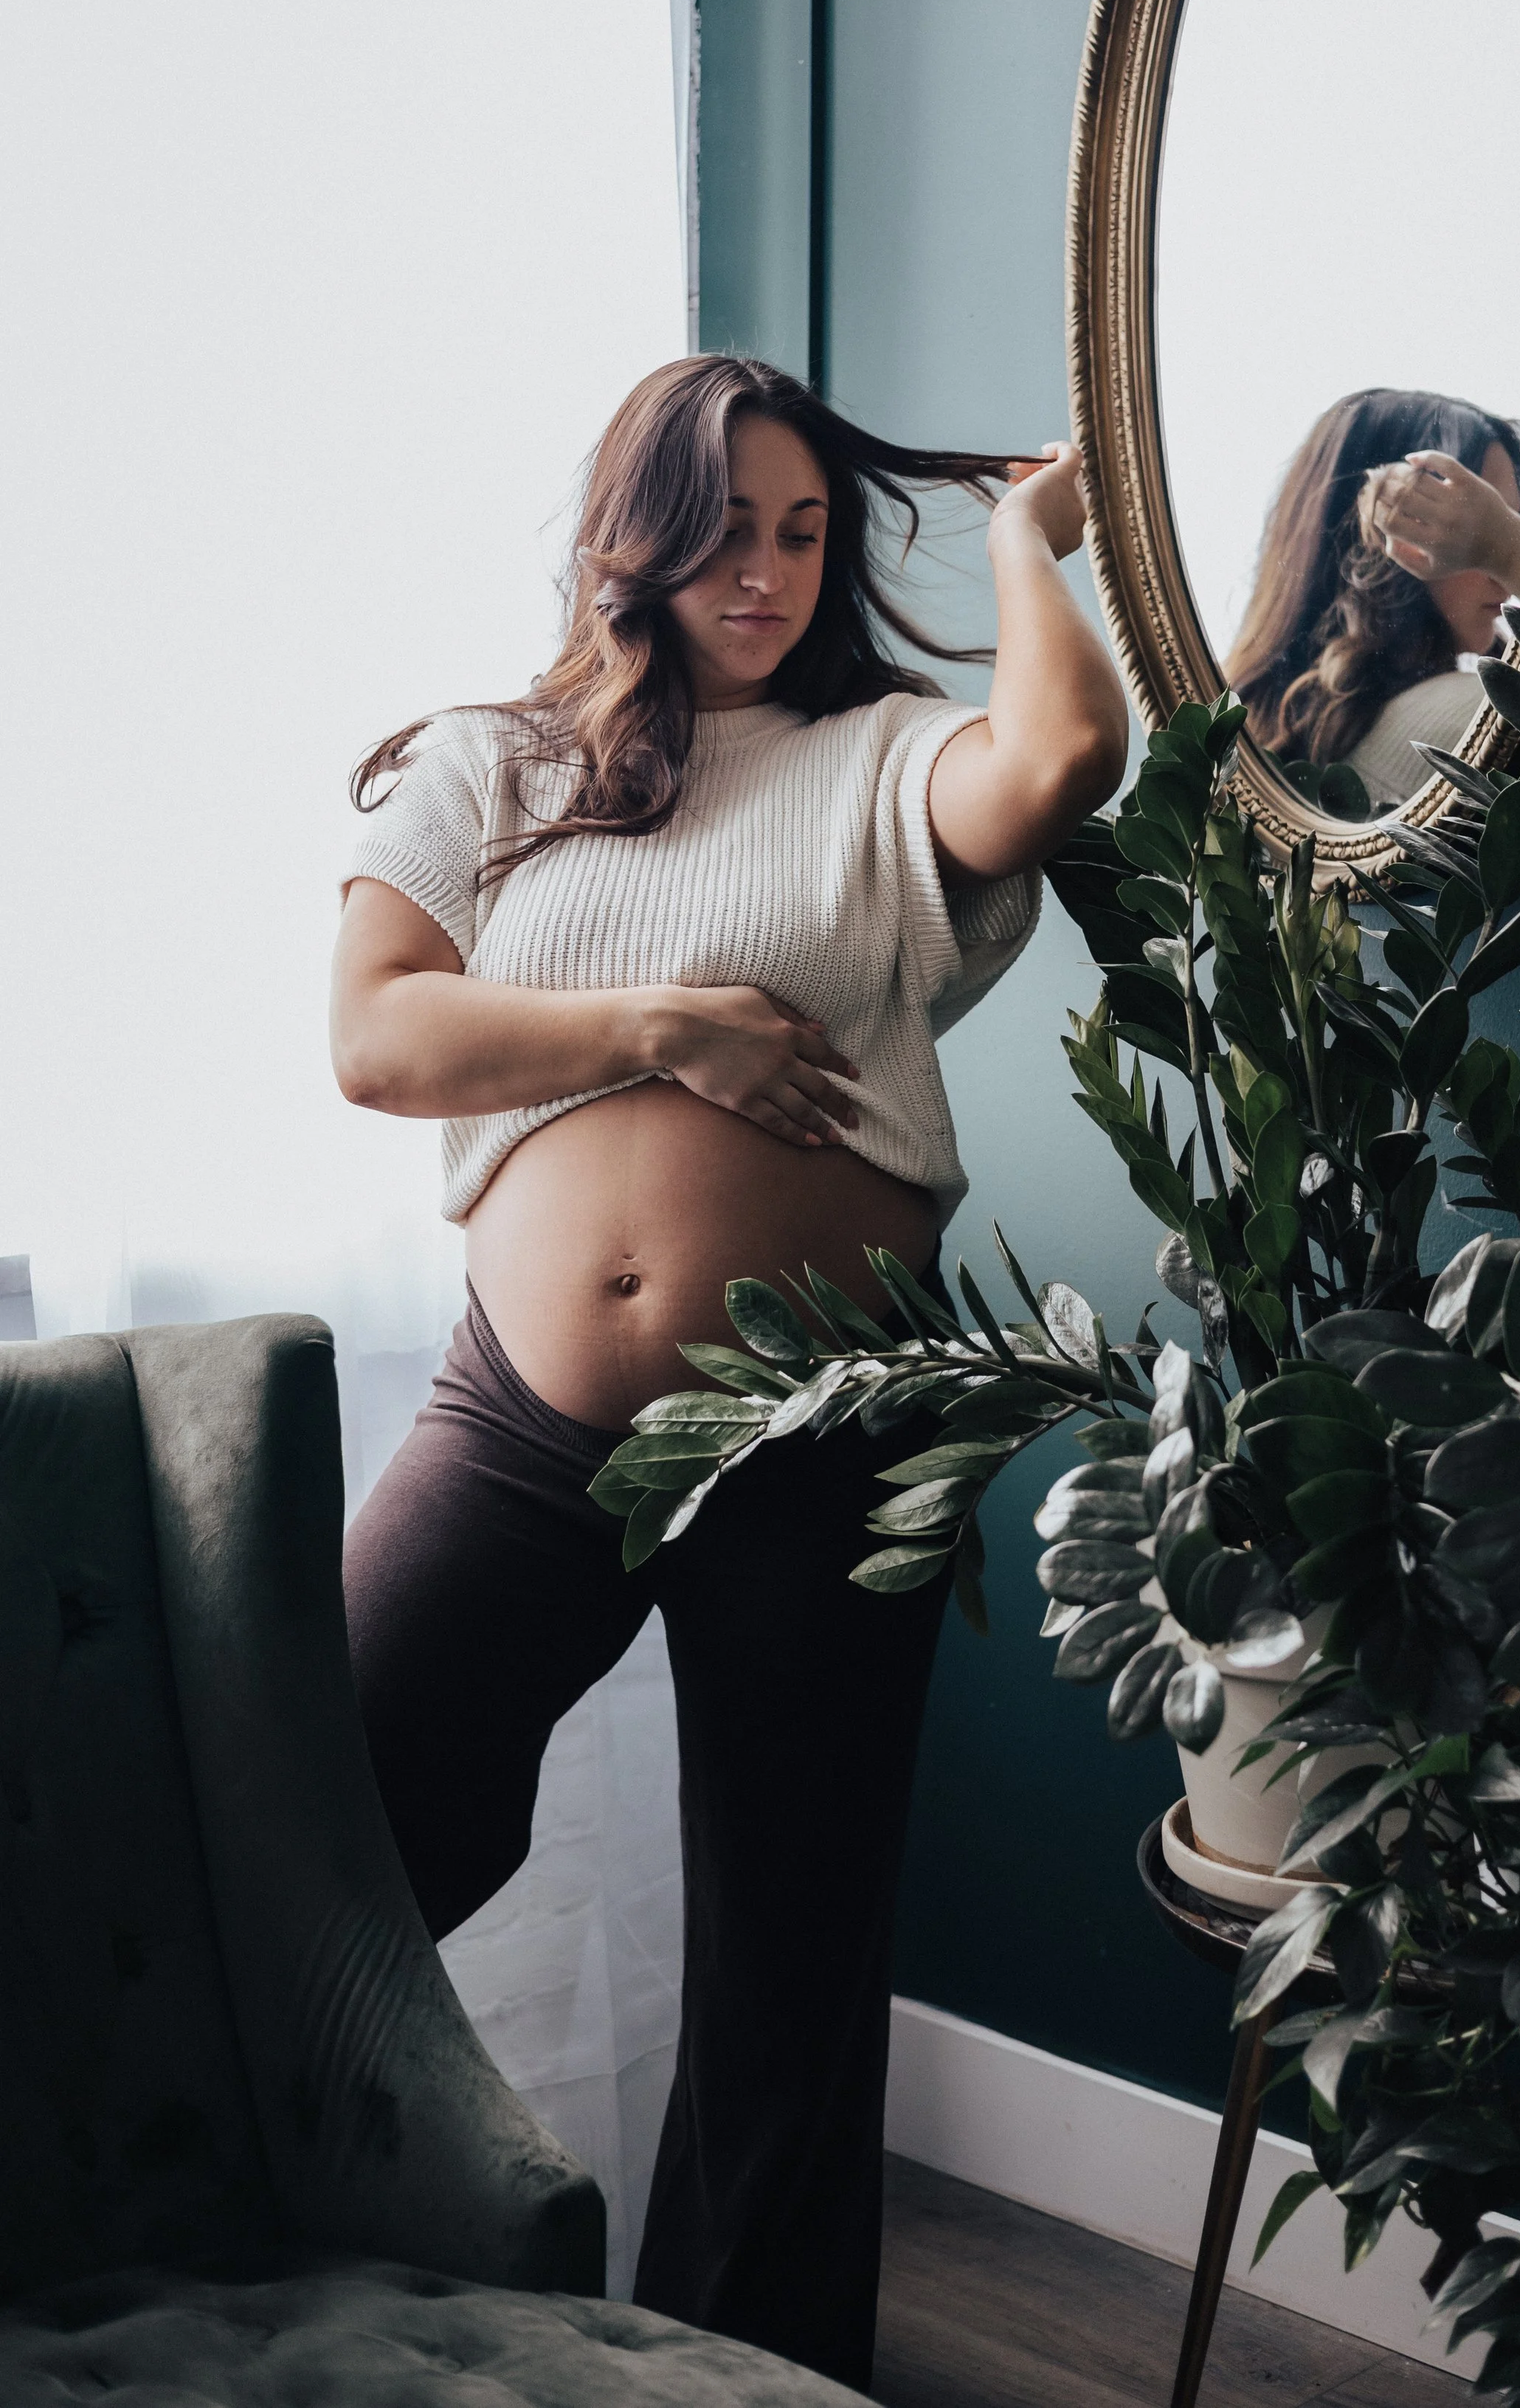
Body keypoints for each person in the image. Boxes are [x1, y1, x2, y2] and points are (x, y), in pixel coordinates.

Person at [329, 353, 1127, 2387]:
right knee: (329, 1837)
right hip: (525, 1419)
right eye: (725, 530)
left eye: (800, 531)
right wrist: (662, 1023)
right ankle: (262, 2250)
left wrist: (1026, 541)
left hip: (825, 1428)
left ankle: (753, 2374)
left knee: (789, 1956)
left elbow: (1061, 756)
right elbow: (383, 1037)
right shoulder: (496, 760)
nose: (765, 572)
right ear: (638, 537)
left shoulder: (878, 752)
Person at [1224, 387, 1520, 811]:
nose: (1500, 580)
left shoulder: (1227, 757)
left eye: (1507, 525)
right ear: (1384, 535)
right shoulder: (1475, 716)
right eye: (1467, 532)